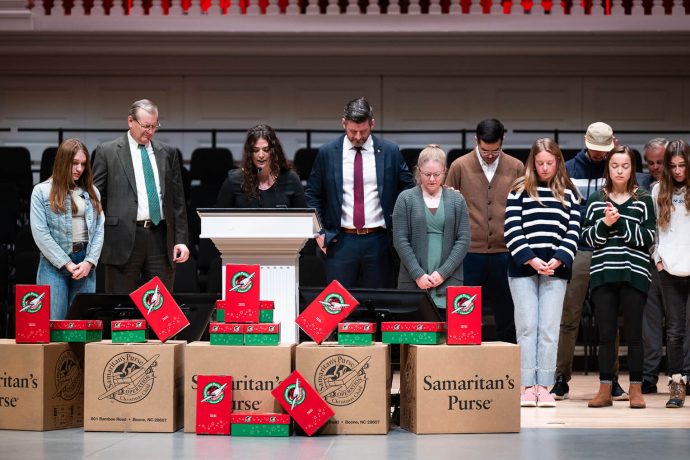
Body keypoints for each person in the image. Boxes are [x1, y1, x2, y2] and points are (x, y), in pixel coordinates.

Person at [550, 122, 628, 401]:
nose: (598, 155)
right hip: (579, 249)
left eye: (603, 150)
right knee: (568, 317)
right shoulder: (569, 169)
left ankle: (612, 380)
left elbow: (622, 207)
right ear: (585, 142)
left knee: (609, 319)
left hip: (608, 248)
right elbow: (565, 211)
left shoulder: (616, 169)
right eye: (594, 149)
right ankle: (561, 378)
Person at [305, 97, 414, 288]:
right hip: (340, 241)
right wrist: (318, 232)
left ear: (372, 124)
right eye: (352, 131)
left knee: (379, 304)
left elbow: (408, 190)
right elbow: (313, 194)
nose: (357, 136)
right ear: (343, 123)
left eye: (363, 131)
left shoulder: (390, 151)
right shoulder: (327, 153)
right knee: (338, 306)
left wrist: (399, 226)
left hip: (379, 240)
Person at [505, 138, 581, 407]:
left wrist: (559, 260)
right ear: (532, 163)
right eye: (540, 163)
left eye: (550, 163)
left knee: (549, 329)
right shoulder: (519, 190)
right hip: (523, 269)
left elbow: (573, 232)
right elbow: (512, 230)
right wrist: (532, 260)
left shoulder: (569, 194)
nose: (545, 167)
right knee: (527, 327)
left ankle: (544, 386)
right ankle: (527, 385)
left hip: (556, 269)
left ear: (558, 162)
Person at [582, 145, 655, 409]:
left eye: (625, 166)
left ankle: (636, 388)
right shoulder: (595, 200)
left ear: (632, 169)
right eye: (615, 166)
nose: (620, 171)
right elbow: (588, 237)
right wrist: (605, 224)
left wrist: (620, 222)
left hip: (634, 273)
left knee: (634, 335)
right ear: (608, 169)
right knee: (606, 334)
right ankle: (604, 389)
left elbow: (648, 238)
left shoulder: (644, 199)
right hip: (603, 274)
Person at [93, 99, 189, 293]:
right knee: (120, 306)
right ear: (130, 121)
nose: (150, 132)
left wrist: (181, 239)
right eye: (146, 126)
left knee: (160, 304)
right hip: (122, 238)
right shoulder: (107, 151)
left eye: (155, 126)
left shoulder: (168, 153)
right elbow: (96, 198)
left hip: (159, 237)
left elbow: (177, 200)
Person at [444, 118, 524, 343]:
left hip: (504, 251)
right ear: (476, 140)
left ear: (503, 141)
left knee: (507, 313)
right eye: (485, 150)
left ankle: (506, 364)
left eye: (495, 150)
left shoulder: (516, 166)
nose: (490, 155)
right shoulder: (459, 166)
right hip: (469, 252)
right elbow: (448, 209)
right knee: (465, 313)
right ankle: (465, 365)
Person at [30, 138, 104, 319]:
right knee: (54, 325)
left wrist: (89, 262)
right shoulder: (41, 192)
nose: (79, 169)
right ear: (63, 162)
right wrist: (66, 263)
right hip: (54, 266)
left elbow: (99, 230)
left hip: (84, 265)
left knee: (81, 327)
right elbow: (41, 234)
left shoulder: (92, 191)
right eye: (75, 163)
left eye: (83, 164)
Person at [392, 144, 470, 313]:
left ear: (445, 171)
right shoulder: (406, 199)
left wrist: (443, 273)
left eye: (437, 174)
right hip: (414, 282)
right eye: (427, 174)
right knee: (412, 336)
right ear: (418, 171)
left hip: (449, 281)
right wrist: (417, 274)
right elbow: (400, 239)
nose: (432, 179)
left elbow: (463, 240)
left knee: (448, 337)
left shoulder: (457, 200)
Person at [651, 139, 690, 408]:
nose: (678, 171)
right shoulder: (657, 191)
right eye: (673, 166)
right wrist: (658, 259)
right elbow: (653, 230)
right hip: (669, 268)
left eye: (682, 165)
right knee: (674, 331)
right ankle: (676, 382)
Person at [215, 124, 306, 208]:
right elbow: (216, 218)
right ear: (250, 153)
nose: (261, 155)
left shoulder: (291, 178)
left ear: (274, 151)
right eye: (255, 150)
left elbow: (304, 220)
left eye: (266, 150)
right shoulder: (234, 179)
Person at [640, 138, 669, 394]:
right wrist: (655, 256)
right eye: (650, 162)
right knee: (649, 325)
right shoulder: (642, 187)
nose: (655, 167)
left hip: (680, 264)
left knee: (680, 324)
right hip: (651, 263)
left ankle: (682, 375)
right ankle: (649, 377)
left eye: (660, 161)